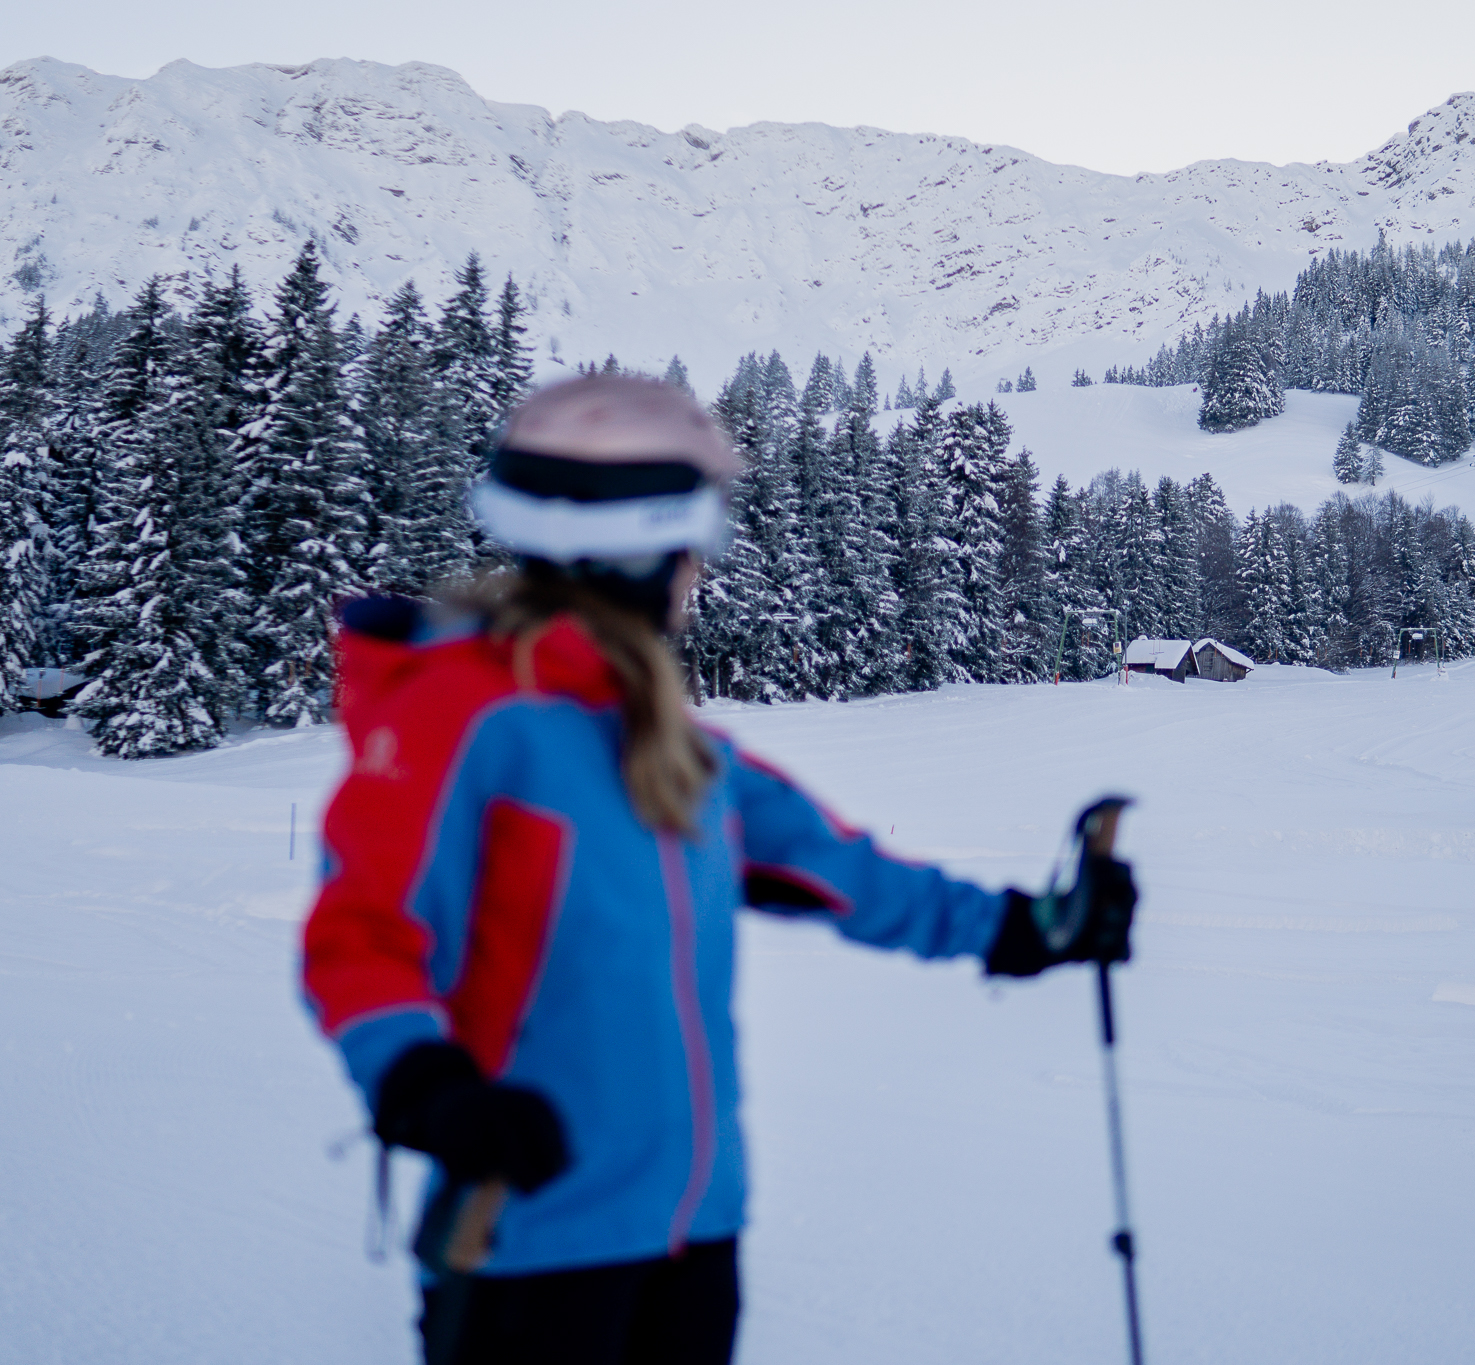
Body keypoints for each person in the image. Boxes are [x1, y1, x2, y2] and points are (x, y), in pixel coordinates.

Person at [301, 373, 1137, 1365]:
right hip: (528, 1232)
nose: (701, 564)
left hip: (692, 1230)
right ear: (635, 538)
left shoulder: (676, 748)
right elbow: (360, 935)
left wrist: (1031, 928)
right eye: (696, 530)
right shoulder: (466, 717)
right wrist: (424, 1083)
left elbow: (842, 874)